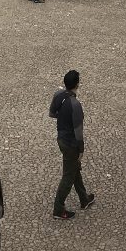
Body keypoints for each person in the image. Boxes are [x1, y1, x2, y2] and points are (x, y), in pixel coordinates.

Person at [50, 70, 95, 220]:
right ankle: (58, 208)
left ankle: (84, 199)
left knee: (74, 169)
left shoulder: (58, 95)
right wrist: (81, 149)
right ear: (77, 84)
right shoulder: (75, 104)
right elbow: (78, 131)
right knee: (68, 176)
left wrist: (62, 117)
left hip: (61, 139)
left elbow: (52, 113)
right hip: (71, 144)